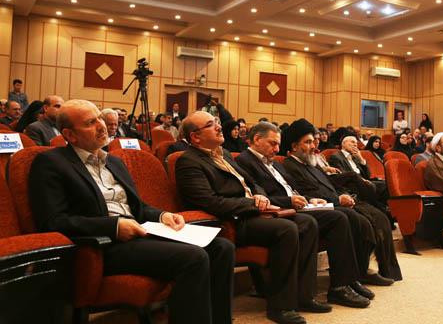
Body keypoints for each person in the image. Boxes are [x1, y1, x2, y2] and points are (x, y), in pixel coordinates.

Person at [28, 99, 235, 324]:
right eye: (90, 123)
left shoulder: (114, 162)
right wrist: (114, 227)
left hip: (139, 233)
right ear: (70, 135)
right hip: (104, 245)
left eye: (99, 118)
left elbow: (138, 207)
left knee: (222, 248)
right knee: (194, 257)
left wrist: (162, 215)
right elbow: (53, 221)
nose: (101, 126)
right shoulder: (51, 163)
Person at [176, 111, 327, 324]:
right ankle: (281, 306)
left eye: (217, 122)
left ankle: (304, 295)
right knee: (287, 229)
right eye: (210, 124)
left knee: (307, 222)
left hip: (254, 212)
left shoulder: (224, 154)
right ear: (195, 137)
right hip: (232, 221)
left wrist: (260, 196)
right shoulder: (188, 161)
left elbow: (252, 183)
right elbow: (209, 202)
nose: (219, 126)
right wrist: (252, 204)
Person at [235, 121, 372, 308]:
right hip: (279, 211)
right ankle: (338, 287)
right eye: (273, 143)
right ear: (257, 139)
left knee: (345, 215)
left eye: (278, 144)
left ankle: (347, 281)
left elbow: (293, 190)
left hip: (298, 206)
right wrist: (290, 201)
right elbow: (262, 197)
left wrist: (311, 199)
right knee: (338, 218)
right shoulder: (244, 161)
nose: (277, 149)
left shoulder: (275, 164)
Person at [281, 119, 402, 285]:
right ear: (294, 146)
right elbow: (309, 192)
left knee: (380, 218)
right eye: (308, 142)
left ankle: (381, 270)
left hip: (338, 200)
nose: (314, 146)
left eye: (313, 141)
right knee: (363, 223)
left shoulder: (311, 164)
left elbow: (331, 185)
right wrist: (338, 199)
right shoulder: (290, 166)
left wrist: (344, 195)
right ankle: (360, 272)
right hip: (325, 206)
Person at [328, 136, 389, 214]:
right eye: (352, 142)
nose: (355, 145)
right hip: (353, 184)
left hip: (364, 181)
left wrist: (360, 159)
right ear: (343, 144)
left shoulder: (355, 157)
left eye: (356, 143)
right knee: (371, 187)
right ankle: (381, 209)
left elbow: (368, 175)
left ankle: (384, 207)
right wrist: (362, 180)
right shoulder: (336, 157)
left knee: (385, 185)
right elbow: (342, 175)